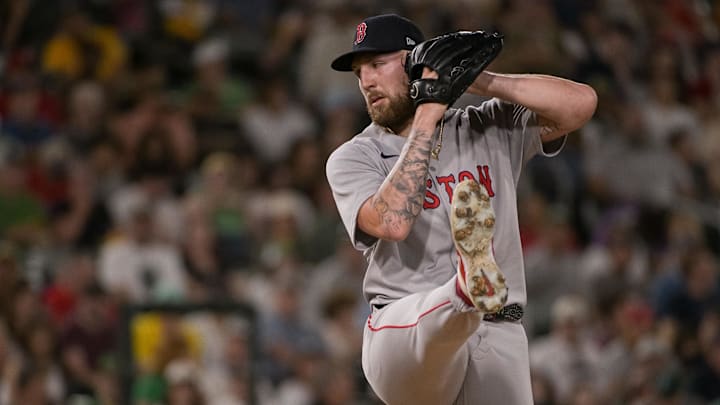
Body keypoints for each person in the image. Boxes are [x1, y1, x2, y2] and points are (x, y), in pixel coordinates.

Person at [325, 13, 597, 405]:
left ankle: (472, 288)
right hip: (402, 330)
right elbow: (393, 221)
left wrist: (474, 78)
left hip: (498, 332)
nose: (366, 81)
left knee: (478, 320)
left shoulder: (486, 125)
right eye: (359, 71)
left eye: (378, 64)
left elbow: (580, 105)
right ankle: (467, 287)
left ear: (417, 63)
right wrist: (428, 112)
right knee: (440, 317)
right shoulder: (354, 156)